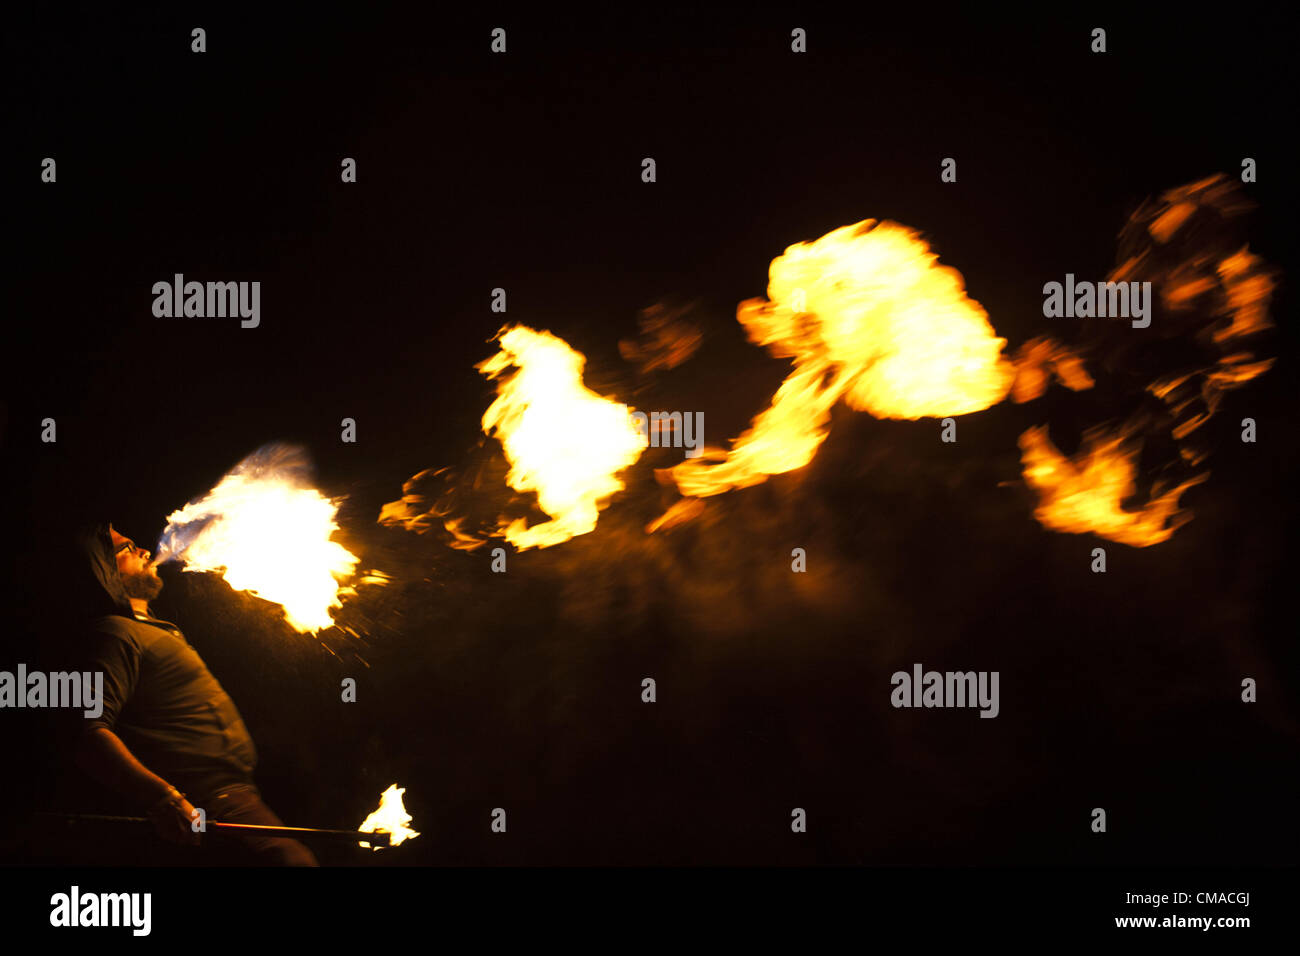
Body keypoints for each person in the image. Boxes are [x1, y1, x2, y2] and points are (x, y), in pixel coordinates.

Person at [70, 521, 318, 866]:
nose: (144, 551)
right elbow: (88, 733)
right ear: (102, 568)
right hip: (203, 806)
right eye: (127, 547)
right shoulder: (116, 633)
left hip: (238, 797)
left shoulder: (154, 630)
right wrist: (165, 798)